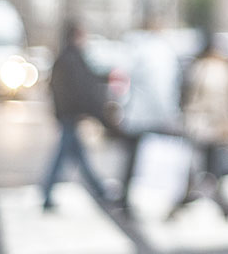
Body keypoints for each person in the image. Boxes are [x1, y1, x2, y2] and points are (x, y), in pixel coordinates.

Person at [168, 35, 228, 220]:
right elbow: (225, 102)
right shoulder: (223, 68)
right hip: (215, 126)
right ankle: (215, 202)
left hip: (199, 125)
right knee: (211, 167)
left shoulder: (198, 67)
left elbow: (185, 96)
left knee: (199, 166)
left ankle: (190, 200)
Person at [40, 20, 111, 210]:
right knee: (66, 155)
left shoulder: (67, 58)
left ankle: (98, 189)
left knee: (75, 155)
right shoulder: (71, 59)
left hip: (68, 115)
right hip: (70, 115)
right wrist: (98, 114)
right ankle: (48, 192)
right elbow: (81, 89)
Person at [115, 20, 182, 213]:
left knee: (133, 158)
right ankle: (172, 198)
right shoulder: (162, 53)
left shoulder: (137, 49)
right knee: (160, 159)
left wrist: (124, 108)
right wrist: (170, 114)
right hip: (154, 115)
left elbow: (125, 82)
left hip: (136, 114)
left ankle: (126, 197)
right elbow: (163, 88)